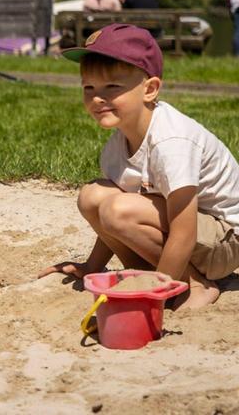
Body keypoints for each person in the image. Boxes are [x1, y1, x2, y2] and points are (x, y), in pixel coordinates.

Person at [39, 24, 239, 308]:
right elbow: (110, 224)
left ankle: (195, 286)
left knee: (117, 209)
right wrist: (92, 267)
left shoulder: (171, 141)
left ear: (150, 89)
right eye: (89, 87)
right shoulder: (116, 147)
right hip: (193, 233)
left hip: (224, 240)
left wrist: (154, 298)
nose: (97, 98)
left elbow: (184, 231)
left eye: (112, 87)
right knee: (92, 196)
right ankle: (149, 275)